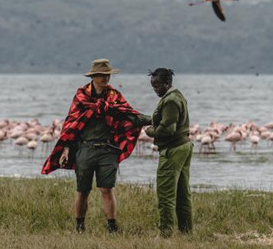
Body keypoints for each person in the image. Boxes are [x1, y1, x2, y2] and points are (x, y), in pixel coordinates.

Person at [41, 59, 150, 234]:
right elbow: (71, 126)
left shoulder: (115, 96)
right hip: (85, 149)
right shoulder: (81, 97)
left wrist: (153, 119)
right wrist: (66, 149)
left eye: (107, 75)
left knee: (107, 189)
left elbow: (130, 115)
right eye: (102, 75)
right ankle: (79, 226)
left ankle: (112, 227)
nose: (106, 78)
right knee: (82, 191)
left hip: (108, 150)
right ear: (94, 76)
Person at [145, 68, 193, 237]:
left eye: (157, 85)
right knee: (182, 192)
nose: (155, 89)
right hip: (183, 146)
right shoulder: (176, 96)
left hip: (173, 150)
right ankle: (186, 231)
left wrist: (149, 131)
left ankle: (165, 233)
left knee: (165, 193)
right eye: (153, 86)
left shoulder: (171, 100)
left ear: (167, 83)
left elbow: (167, 129)